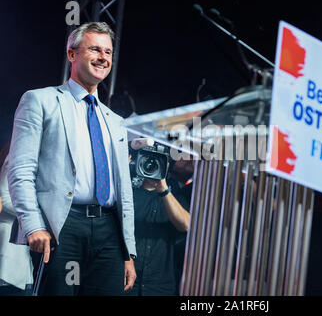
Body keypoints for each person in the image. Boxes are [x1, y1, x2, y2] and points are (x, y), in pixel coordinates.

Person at [7, 22, 136, 295]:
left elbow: (125, 191)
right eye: (95, 49)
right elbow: (21, 169)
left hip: (109, 229)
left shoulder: (116, 121)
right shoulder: (40, 100)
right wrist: (33, 226)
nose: (103, 57)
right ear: (72, 54)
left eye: (108, 52)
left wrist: (128, 251)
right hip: (61, 227)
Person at [127, 159, 193, 296]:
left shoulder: (178, 200)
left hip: (161, 285)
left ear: (168, 165)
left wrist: (163, 188)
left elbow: (186, 225)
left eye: (158, 160)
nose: (153, 165)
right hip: (128, 281)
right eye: (148, 161)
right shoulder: (128, 196)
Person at [0, 155, 34, 296]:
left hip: (27, 245)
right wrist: (36, 215)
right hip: (11, 241)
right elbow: (4, 198)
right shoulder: (17, 156)